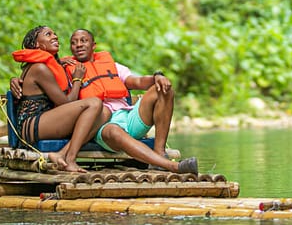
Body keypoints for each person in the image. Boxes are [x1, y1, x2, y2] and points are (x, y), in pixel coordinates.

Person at [66, 28, 197, 175]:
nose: (78, 45)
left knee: (164, 90)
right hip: (102, 125)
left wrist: (157, 76)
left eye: (83, 41)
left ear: (93, 45)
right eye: (74, 43)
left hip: (129, 117)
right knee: (114, 131)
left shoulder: (112, 66)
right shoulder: (69, 71)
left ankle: (159, 153)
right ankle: (173, 166)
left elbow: (138, 81)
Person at [12, 25, 106, 173]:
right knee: (94, 103)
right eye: (48, 34)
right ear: (37, 44)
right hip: (32, 125)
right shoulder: (40, 69)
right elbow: (66, 102)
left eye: (55, 34)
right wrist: (77, 80)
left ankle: (62, 154)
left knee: (105, 112)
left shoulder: (50, 65)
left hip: (46, 121)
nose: (55, 37)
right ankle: (70, 160)